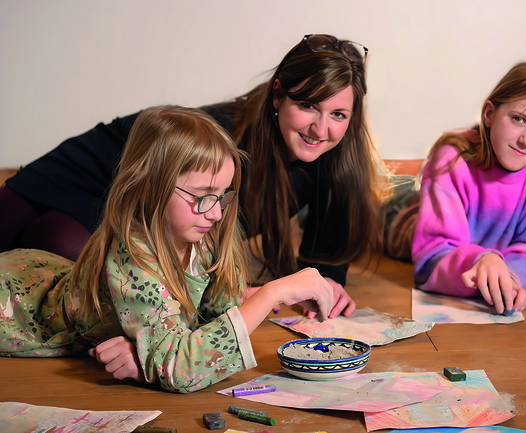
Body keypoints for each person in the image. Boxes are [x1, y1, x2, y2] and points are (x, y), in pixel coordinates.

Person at [0, 34, 389, 319]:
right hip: (100, 164)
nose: (321, 129)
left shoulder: (340, 163)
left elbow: (324, 263)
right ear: (277, 96)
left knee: (55, 245)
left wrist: (327, 285)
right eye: (308, 105)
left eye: (338, 114)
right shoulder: (226, 138)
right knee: (13, 219)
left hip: (129, 215)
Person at [0, 105, 335, 393]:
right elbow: (181, 369)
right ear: (148, 188)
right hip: (17, 306)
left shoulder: (202, 233)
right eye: (203, 195)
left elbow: (213, 318)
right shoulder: (132, 255)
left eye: (223, 195)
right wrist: (273, 292)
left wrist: (148, 357)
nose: (217, 212)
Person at [412, 62, 526, 315]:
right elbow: (429, 259)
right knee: (384, 215)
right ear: (489, 114)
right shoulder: (453, 158)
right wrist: (483, 261)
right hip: (407, 220)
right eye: (519, 119)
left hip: (479, 249)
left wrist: (510, 280)